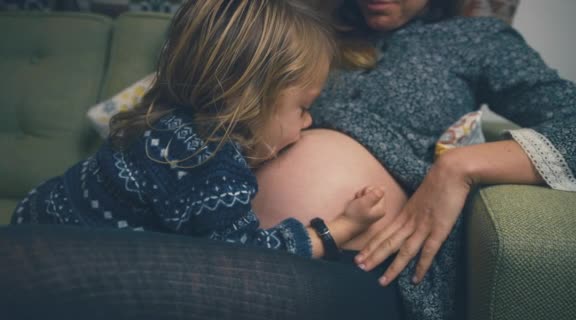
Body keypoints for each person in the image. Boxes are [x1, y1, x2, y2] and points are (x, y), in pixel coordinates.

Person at [2, 0, 576, 319]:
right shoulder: (303, 27)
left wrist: (461, 167)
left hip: (344, 268)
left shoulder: (477, 42)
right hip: (198, 240)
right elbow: (193, 92)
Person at [10, 0, 388, 259]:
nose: (308, 122)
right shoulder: (208, 165)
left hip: (34, 217)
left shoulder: (165, 121)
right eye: (303, 108)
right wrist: (341, 227)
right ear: (249, 99)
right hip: (56, 259)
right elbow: (252, 256)